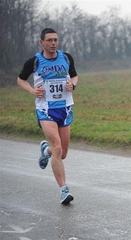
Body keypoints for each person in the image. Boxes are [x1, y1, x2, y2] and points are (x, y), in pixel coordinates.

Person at [17, 28, 78, 205]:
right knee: (57, 148)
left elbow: (74, 76)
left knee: (62, 153)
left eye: (55, 40)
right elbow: (20, 79)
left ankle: (45, 151)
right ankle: (63, 190)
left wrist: (72, 86)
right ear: (41, 42)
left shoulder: (66, 58)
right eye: (49, 40)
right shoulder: (35, 61)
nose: (53, 43)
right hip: (46, 110)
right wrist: (32, 90)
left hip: (65, 108)